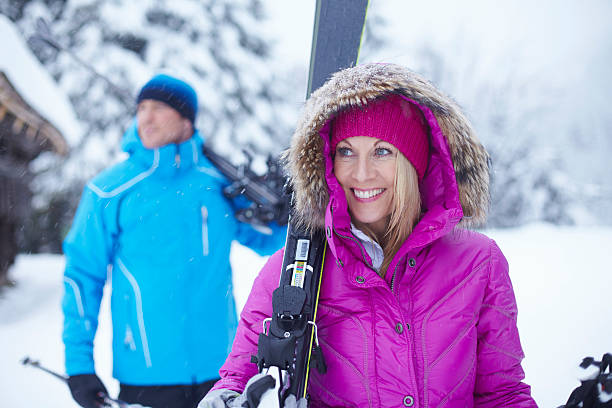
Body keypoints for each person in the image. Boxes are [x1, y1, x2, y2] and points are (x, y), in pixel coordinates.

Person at [199, 63, 538, 407]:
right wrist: (225, 400)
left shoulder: (478, 263)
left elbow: (503, 394)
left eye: (382, 151)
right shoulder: (292, 270)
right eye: (346, 151)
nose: (361, 173)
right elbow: (238, 379)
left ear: (414, 163)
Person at [62, 73, 287, 408]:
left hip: (221, 373)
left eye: (158, 108)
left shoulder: (219, 184)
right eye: (141, 108)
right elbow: (82, 279)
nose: (146, 118)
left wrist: (285, 211)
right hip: (146, 377)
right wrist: (79, 366)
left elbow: (269, 243)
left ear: (185, 119)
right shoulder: (109, 191)